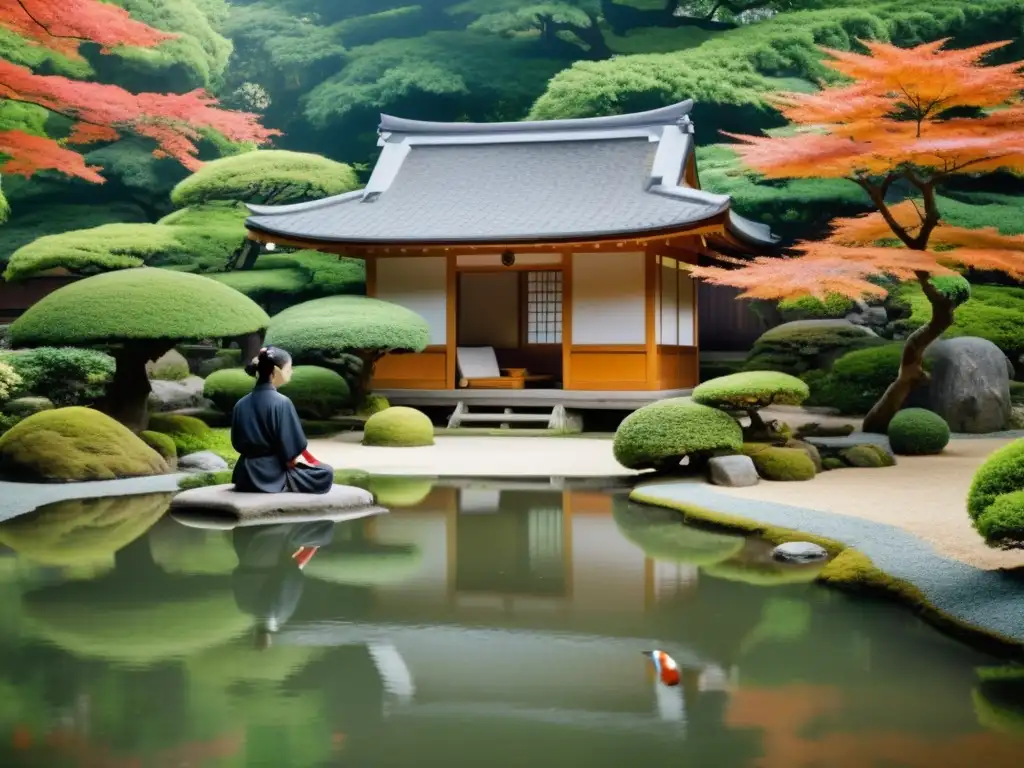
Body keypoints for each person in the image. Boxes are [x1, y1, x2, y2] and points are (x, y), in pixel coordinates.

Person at [231, 345, 334, 494]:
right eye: (288, 369)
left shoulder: (240, 404)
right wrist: (289, 459)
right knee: (326, 473)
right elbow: (292, 449)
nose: (291, 372)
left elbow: (236, 442)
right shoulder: (282, 402)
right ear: (276, 372)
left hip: (244, 473)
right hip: (271, 473)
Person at [230, 521, 336, 648]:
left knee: (324, 535)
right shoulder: (243, 605)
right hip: (245, 539)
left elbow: (291, 576)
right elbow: (236, 574)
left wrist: (291, 564)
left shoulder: (278, 610)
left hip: (274, 534)